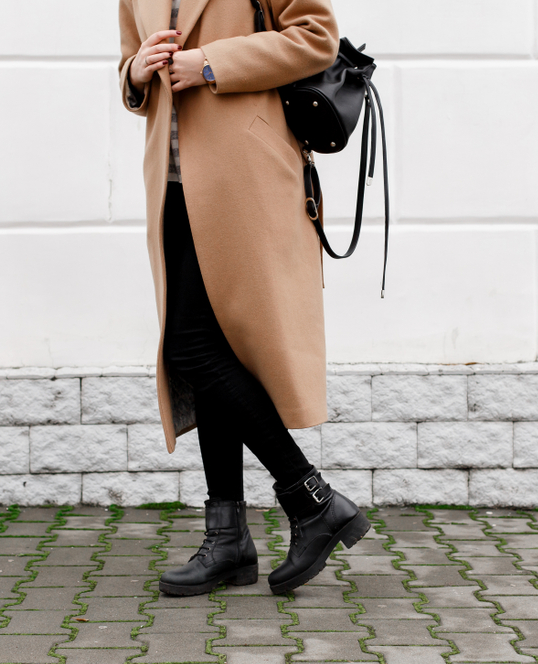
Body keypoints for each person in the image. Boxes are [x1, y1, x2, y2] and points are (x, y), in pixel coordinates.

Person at [118, 0, 370, 596]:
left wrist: (211, 64)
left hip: (244, 179)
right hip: (173, 185)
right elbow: (129, 67)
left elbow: (316, 37)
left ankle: (310, 499)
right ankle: (230, 536)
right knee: (204, 351)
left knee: (193, 347)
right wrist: (136, 71)